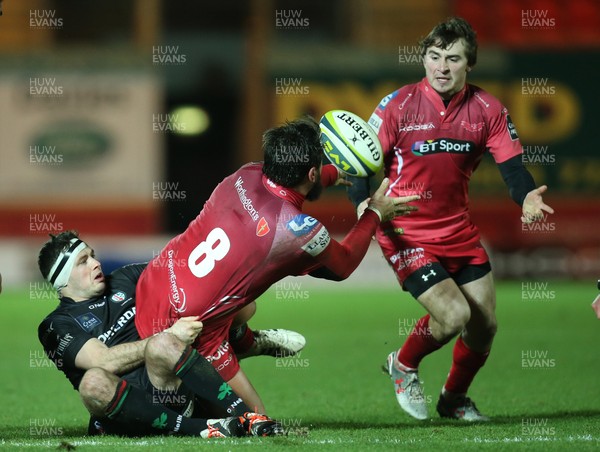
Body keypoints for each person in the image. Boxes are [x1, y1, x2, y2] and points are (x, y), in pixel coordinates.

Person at [135, 117, 420, 413]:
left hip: (153, 283)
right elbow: (343, 266)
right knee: (256, 420)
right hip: (190, 332)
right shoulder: (297, 229)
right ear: (311, 172)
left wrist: (333, 173)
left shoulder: (244, 175)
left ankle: (244, 344)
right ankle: (198, 383)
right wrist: (374, 212)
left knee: (246, 306)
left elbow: (291, 180)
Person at [348, 17, 554, 421]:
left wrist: (526, 195)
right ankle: (403, 365)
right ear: (424, 59)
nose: (442, 66)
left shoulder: (488, 109)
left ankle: (453, 398)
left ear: (469, 64)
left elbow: (512, 169)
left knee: (484, 327)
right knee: (454, 315)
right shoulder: (397, 105)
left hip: (458, 232)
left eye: (453, 58)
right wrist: (361, 203)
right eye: (434, 56)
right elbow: (359, 165)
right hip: (405, 232)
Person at [37, 230, 283, 438]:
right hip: (127, 415)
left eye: (93, 256)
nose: (96, 263)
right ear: (62, 280)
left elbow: (180, 277)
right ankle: (202, 428)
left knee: (227, 304)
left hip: (169, 390)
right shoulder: (56, 325)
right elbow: (102, 361)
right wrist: (169, 334)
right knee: (93, 382)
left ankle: (249, 417)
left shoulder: (126, 278)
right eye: (83, 261)